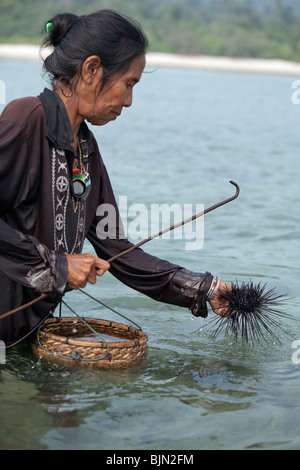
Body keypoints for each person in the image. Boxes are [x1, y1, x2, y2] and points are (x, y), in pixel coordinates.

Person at [0, 10, 230, 348]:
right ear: (92, 70)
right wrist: (58, 264)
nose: (128, 101)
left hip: (26, 336)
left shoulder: (86, 148)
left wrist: (206, 288)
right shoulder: (26, 119)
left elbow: (118, 250)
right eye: (128, 84)